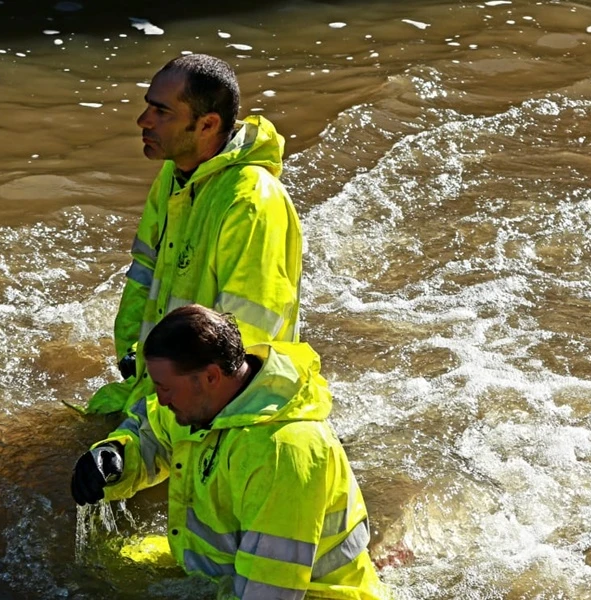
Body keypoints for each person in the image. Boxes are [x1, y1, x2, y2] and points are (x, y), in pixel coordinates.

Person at [71, 305, 388, 600]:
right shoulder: (198, 400)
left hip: (313, 594)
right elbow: (153, 435)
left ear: (210, 376)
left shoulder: (283, 452)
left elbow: (268, 591)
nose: (161, 399)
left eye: (164, 388)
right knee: (107, 564)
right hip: (223, 573)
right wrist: (114, 456)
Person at [85, 53, 303, 415]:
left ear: (207, 125)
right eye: (147, 107)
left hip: (219, 406)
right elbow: (144, 273)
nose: (143, 121)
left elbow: (243, 341)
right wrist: (135, 353)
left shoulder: (252, 203)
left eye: (161, 112)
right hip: (168, 385)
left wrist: (163, 414)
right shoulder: (173, 175)